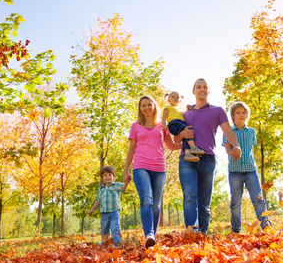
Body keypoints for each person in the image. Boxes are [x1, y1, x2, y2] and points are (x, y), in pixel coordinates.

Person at [174, 78, 242, 234]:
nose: (202, 89)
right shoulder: (185, 113)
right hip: (187, 158)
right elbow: (176, 139)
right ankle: (192, 230)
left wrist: (236, 146)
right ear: (193, 91)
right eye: (199, 87)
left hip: (208, 159)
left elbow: (228, 131)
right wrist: (182, 133)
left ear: (208, 91)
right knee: (190, 196)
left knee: (204, 202)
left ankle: (202, 233)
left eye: (205, 87)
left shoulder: (217, 111)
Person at [123, 95, 182, 248]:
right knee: (147, 199)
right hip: (140, 166)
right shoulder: (135, 125)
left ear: (154, 106)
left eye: (149, 104)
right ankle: (148, 233)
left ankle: (152, 239)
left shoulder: (162, 125)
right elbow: (131, 149)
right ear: (140, 108)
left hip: (159, 168)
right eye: (143, 105)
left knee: (156, 206)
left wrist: (188, 140)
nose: (147, 107)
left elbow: (173, 146)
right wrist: (126, 170)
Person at [222, 101, 273, 233]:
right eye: (238, 112)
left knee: (258, 200)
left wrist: (252, 161)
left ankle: (267, 228)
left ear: (247, 115)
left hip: (251, 170)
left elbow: (251, 150)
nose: (241, 115)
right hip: (235, 171)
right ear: (233, 116)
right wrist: (232, 153)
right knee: (235, 203)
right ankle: (236, 231)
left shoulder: (251, 132)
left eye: (244, 112)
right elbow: (227, 149)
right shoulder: (228, 131)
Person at [88, 165, 129, 247]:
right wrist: (92, 209)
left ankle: (117, 245)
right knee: (104, 230)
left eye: (110, 175)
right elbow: (97, 200)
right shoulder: (101, 189)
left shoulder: (116, 185)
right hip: (104, 213)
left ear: (113, 176)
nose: (107, 177)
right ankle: (105, 245)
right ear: (102, 177)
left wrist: (126, 182)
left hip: (114, 212)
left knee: (115, 228)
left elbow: (123, 187)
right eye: (105, 175)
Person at [161, 91, 205, 162]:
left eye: (177, 97)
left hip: (180, 123)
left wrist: (188, 109)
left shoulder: (179, 110)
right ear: (168, 100)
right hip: (174, 123)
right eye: (173, 97)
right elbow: (164, 116)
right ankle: (193, 147)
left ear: (180, 101)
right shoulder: (168, 107)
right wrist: (164, 124)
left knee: (186, 135)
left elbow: (185, 116)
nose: (175, 98)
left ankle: (187, 153)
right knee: (187, 130)